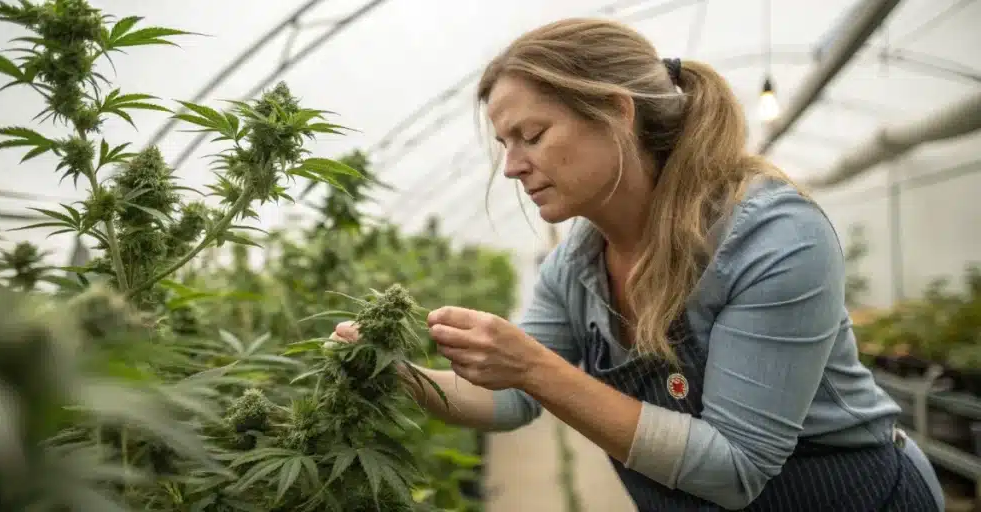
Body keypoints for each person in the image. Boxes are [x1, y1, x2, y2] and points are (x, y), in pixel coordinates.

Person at [333, 18, 945, 511]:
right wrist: (393, 370)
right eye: (505, 145)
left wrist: (536, 368)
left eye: (533, 134)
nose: (513, 166)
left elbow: (735, 468)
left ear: (618, 113)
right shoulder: (577, 265)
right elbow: (508, 402)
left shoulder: (770, 237)